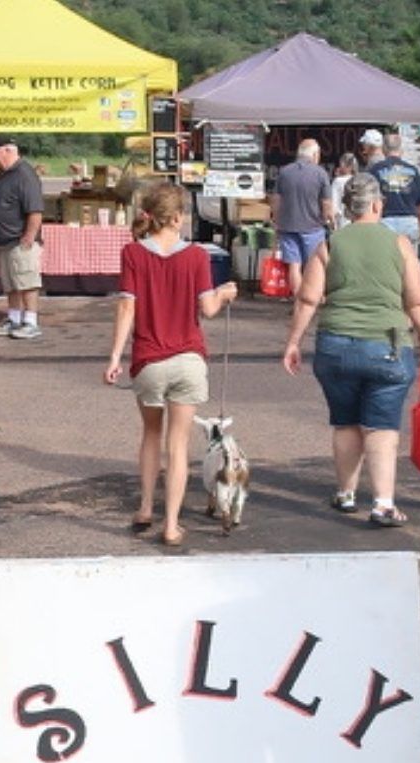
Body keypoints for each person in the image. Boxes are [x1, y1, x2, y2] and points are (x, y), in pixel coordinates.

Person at [281, 173, 420, 528]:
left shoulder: (329, 245)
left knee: (346, 422)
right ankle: (382, 504)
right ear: (378, 204)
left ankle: (346, 493)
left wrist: (293, 342)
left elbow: (307, 298)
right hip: (389, 346)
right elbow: (417, 300)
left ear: (347, 208)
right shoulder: (400, 244)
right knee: (381, 428)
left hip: (335, 346)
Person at [104, 182, 239, 548]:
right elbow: (208, 309)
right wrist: (225, 294)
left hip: (149, 359)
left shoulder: (132, 253)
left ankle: (146, 507)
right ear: (179, 217)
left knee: (150, 434)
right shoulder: (196, 256)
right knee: (177, 446)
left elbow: (126, 307)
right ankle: (172, 524)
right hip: (188, 359)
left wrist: (116, 356)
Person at [0, 136, 45, 340]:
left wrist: (29, 236)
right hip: (4, 240)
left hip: (19, 239)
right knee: (10, 283)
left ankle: (31, 321)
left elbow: (35, 210)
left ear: (8, 150)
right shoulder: (5, 174)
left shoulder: (24, 174)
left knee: (26, 280)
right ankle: (14, 318)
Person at [274, 138, 334, 295]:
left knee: (294, 265)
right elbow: (326, 204)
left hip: (287, 226)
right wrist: (331, 219)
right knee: (313, 264)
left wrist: (276, 221)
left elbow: (276, 201)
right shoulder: (321, 174)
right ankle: (312, 297)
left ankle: (299, 299)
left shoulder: (284, 172)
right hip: (313, 226)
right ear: (314, 155)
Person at [369, 132, 420, 252]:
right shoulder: (413, 171)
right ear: (400, 149)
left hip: (385, 221)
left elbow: (369, 200)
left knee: (387, 264)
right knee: (409, 263)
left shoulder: (375, 170)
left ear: (384, 149)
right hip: (409, 221)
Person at [329, 152, 358, 230]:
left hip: (342, 219)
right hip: (356, 218)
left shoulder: (338, 181)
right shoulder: (358, 179)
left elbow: (334, 204)